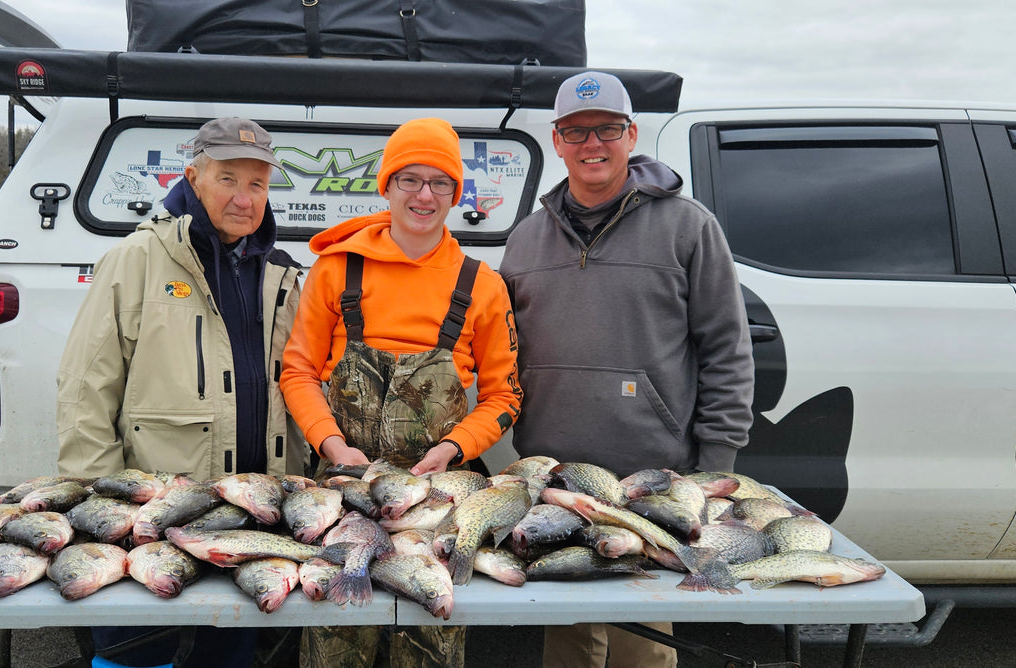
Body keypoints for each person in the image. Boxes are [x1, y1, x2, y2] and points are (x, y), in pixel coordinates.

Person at [500, 71, 755, 668]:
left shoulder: (688, 226)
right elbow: (504, 352)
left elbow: (726, 348)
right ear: (558, 141)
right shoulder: (525, 239)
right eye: (577, 131)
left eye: (608, 129)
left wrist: (715, 464)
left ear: (631, 134)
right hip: (555, 476)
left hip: (653, 472)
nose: (593, 144)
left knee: (643, 634)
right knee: (567, 624)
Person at [56, 117, 306, 668]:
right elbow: (85, 387)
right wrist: (100, 498)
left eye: (258, 184)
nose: (244, 198)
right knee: (136, 650)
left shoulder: (283, 273)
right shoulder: (138, 259)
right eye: (228, 179)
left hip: (247, 514)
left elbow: (299, 382)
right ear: (192, 177)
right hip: (154, 512)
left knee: (230, 649)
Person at [280, 117, 522, 667]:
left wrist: (454, 450)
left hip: (437, 501)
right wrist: (332, 448)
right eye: (409, 178)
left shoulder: (482, 284)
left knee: (429, 644)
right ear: (385, 185)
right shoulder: (336, 268)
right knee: (336, 639)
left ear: (456, 194)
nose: (424, 194)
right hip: (341, 494)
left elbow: (504, 398)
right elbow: (297, 372)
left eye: (440, 182)